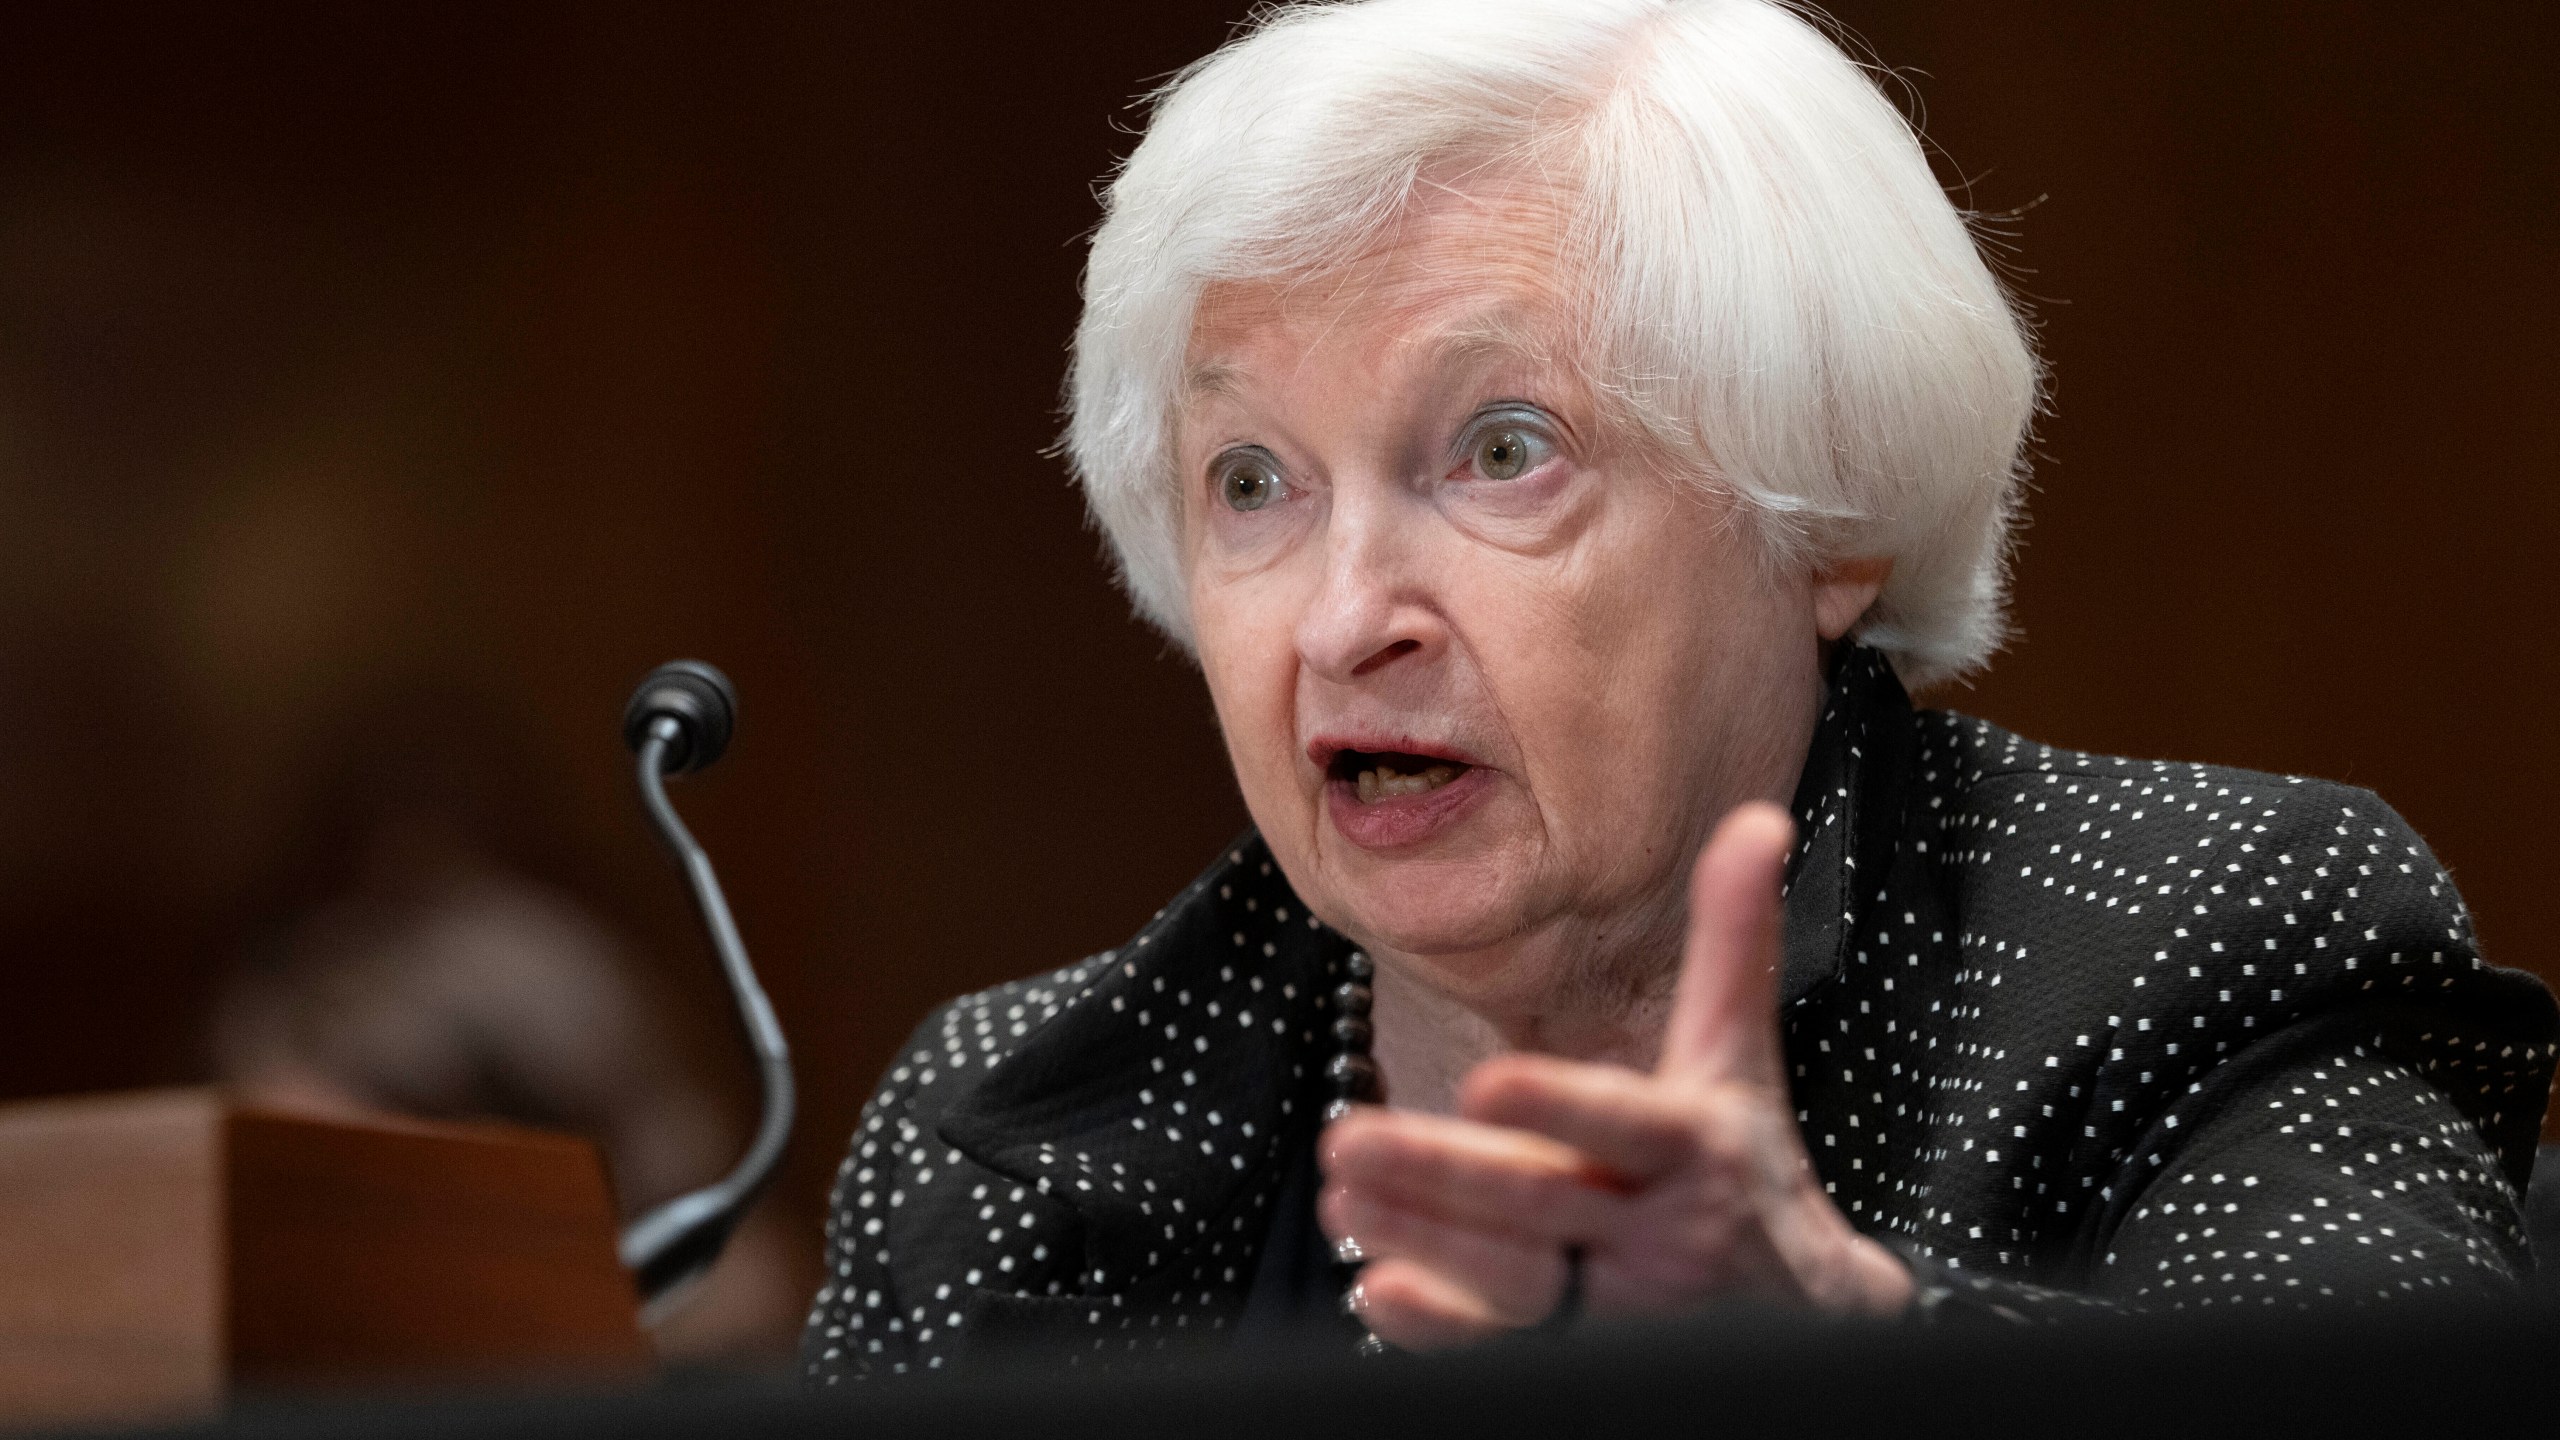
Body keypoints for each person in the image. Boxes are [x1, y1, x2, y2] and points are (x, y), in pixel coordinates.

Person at [801, 0, 2557, 1380]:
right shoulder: (1004, 1135)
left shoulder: (2202, 941)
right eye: (1252, 480)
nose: (1345, 619)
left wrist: (1836, 1358)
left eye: (1503, 451)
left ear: (1828, 506)